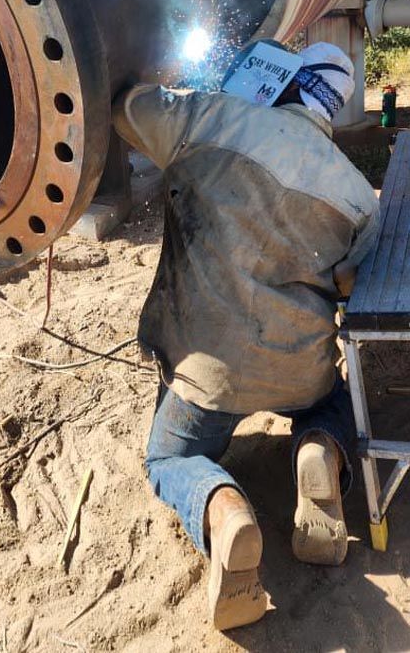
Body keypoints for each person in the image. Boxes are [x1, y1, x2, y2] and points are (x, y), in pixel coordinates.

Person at [112, 41, 379, 631]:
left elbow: (126, 106)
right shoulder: (358, 195)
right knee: (329, 402)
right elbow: (349, 284)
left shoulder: (204, 117)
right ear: (328, 109)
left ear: (285, 79)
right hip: (297, 368)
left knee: (168, 457)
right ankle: (318, 450)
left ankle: (222, 507)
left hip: (205, 372)